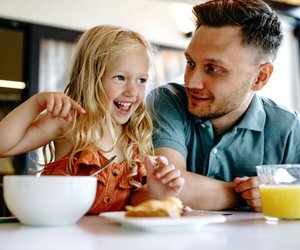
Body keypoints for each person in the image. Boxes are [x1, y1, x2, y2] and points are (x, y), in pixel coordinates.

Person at [0, 25, 184, 214]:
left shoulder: (134, 137)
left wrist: (156, 193)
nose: (132, 91)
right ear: (91, 78)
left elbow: (133, 201)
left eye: (141, 80)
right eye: (120, 77)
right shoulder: (69, 121)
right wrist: (36, 103)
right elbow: (3, 145)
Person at [146, 0, 300, 212]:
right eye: (191, 63)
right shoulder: (167, 101)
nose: (191, 82)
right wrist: (256, 194)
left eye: (213, 68)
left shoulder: (289, 126)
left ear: (260, 77)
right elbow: (169, 187)